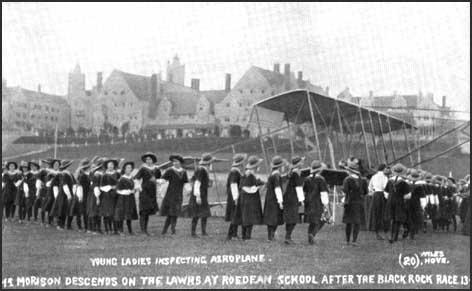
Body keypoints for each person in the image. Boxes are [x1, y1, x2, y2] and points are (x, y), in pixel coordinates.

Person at [160, 154, 189, 235]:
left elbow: (185, 182)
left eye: (176, 161)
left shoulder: (183, 171)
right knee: (171, 213)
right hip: (170, 194)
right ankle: (171, 230)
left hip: (179, 194)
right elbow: (163, 180)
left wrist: (189, 190)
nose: (175, 163)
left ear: (180, 162)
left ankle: (167, 230)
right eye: (173, 162)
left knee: (175, 213)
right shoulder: (170, 170)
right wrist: (158, 181)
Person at [342, 157, 368, 246]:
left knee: (349, 222)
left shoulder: (347, 180)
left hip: (349, 202)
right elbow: (365, 192)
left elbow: (345, 190)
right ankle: (354, 241)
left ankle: (347, 240)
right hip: (359, 202)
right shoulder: (363, 180)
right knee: (357, 222)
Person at [303, 160, 329, 245]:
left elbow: (305, 190)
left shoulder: (307, 178)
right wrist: (326, 204)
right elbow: (323, 193)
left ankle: (310, 236)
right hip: (318, 202)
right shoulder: (321, 179)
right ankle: (312, 234)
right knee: (321, 220)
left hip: (309, 202)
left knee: (312, 221)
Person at [135, 152, 161, 235]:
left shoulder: (156, 169)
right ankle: (143, 230)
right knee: (144, 211)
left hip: (152, 192)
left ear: (153, 160)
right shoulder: (143, 169)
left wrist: (156, 180)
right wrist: (139, 187)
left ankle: (145, 229)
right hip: (144, 191)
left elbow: (160, 179)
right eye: (147, 159)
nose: (148, 161)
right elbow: (137, 178)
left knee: (148, 211)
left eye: (150, 159)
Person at [188, 153, 214, 237]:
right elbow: (197, 183)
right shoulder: (201, 170)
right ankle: (193, 233)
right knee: (196, 214)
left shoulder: (203, 169)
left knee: (204, 213)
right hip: (199, 194)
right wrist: (198, 196)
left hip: (203, 194)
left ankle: (203, 232)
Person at [240, 155, 264, 240]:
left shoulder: (251, 174)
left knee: (247, 217)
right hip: (248, 198)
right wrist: (258, 187)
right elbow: (246, 188)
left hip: (248, 198)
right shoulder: (249, 175)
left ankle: (245, 236)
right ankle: (246, 237)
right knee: (248, 217)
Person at [283, 156, 306, 245]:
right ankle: (288, 237)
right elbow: (298, 187)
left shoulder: (293, 172)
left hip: (288, 197)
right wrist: (302, 200)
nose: (303, 163)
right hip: (293, 197)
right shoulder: (296, 173)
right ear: (298, 163)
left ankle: (288, 237)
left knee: (291, 218)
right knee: (293, 218)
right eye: (301, 161)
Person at [386, 163, 411, 244]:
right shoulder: (403, 182)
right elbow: (407, 195)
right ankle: (395, 237)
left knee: (392, 218)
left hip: (390, 201)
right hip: (399, 201)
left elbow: (386, 192)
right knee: (398, 219)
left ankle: (391, 235)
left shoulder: (389, 180)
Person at [225, 153, 247, 241]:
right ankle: (231, 235)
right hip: (234, 196)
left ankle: (233, 234)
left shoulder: (236, 171)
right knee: (235, 215)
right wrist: (236, 198)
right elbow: (233, 185)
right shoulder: (234, 171)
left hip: (235, 196)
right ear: (241, 162)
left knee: (236, 215)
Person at [263, 156, 285, 242]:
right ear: (280, 166)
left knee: (270, 218)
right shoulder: (276, 175)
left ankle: (271, 235)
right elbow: (277, 188)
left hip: (269, 198)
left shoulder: (272, 174)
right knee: (275, 218)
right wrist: (280, 201)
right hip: (275, 199)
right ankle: (271, 236)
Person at [114, 161, 138, 235]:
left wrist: (134, 190)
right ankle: (120, 230)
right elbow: (118, 190)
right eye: (127, 168)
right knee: (121, 214)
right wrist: (127, 191)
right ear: (124, 169)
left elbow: (133, 187)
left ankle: (130, 230)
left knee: (129, 214)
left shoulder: (131, 178)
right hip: (123, 198)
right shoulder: (122, 179)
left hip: (130, 198)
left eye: (130, 168)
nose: (129, 169)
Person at [68, 159, 92, 232]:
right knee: (79, 212)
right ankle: (80, 227)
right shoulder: (82, 175)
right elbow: (79, 186)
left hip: (86, 194)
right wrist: (80, 196)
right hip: (81, 195)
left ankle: (86, 227)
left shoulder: (87, 174)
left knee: (84, 212)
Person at [367, 164, 390, 240]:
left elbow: (369, 187)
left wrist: (373, 192)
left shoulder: (374, 176)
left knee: (376, 213)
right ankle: (384, 231)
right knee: (383, 213)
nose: (387, 170)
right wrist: (387, 197)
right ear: (383, 169)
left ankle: (377, 231)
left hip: (375, 195)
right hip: (381, 195)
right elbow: (385, 187)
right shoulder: (384, 177)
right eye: (386, 169)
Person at [99, 158, 120, 235]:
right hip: (106, 195)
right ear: (107, 166)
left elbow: (120, 183)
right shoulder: (104, 175)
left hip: (115, 195)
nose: (110, 166)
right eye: (109, 165)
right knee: (107, 213)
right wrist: (110, 187)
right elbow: (101, 186)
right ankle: (107, 229)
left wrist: (116, 188)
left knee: (114, 213)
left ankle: (115, 229)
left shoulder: (117, 174)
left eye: (112, 165)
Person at [50, 160, 73, 230]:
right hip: (64, 194)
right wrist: (69, 195)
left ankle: (62, 224)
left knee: (63, 209)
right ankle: (60, 225)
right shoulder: (64, 174)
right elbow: (64, 185)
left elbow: (54, 184)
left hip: (62, 193)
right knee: (62, 209)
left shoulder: (65, 174)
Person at [404, 169, 426, 240]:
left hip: (408, 203)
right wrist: (423, 206)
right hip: (416, 203)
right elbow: (422, 197)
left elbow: (405, 195)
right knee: (414, 218)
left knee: (408, 217)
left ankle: (408, 231)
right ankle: (412, 233)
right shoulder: (419, 186)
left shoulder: (407, 185)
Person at [87, 158, 105, 234]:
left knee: (93, 211)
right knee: (95, 211)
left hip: (92, 193)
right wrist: (97, 197)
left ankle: (92, 228)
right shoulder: (98, 173)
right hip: (96, 194)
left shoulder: (94, 172)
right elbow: (96, 186)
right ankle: (95, 229)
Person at [42, 159, 61, 227]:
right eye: (55, 164)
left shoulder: (61, 173)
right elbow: (47, 183)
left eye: (58, 164)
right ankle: (49, 222)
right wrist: (51, 181)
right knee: (50, 205)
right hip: (51, 192)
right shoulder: (49, 173)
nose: (56, 165)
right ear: (52, 165)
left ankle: (58, 222)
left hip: (59, 191)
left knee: (58, 206)